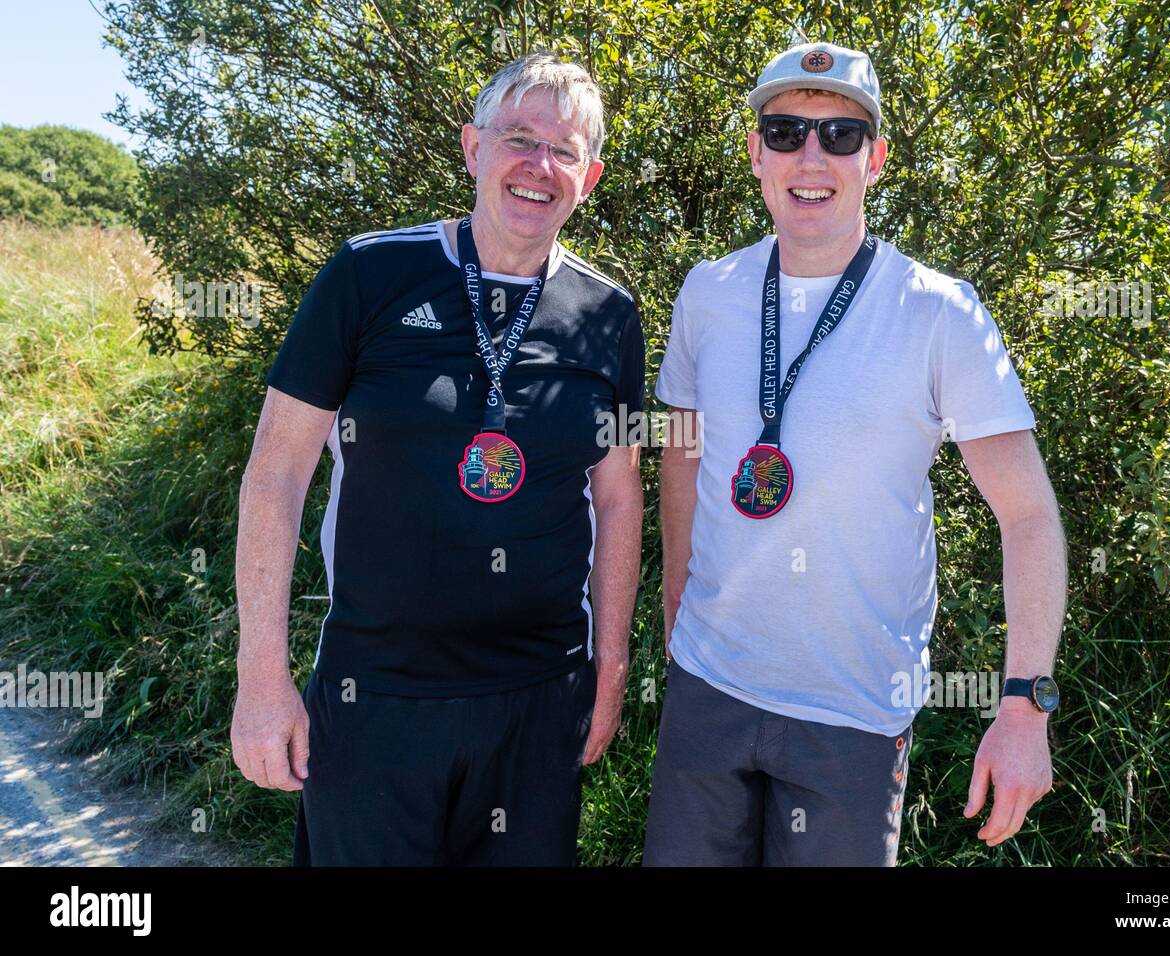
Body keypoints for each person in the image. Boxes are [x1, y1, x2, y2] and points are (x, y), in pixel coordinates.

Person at [644, 41, 1065, 866]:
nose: (812, 156)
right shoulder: (709, 291)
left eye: (840, 136)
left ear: (874, 160)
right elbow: (681, 455)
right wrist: (673, 610)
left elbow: (1028, 515)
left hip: (856, 715)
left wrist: (1023, 706)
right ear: (757, 153)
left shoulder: (941, 311)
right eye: (787, 131)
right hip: (707, 688)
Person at [231, 51, 645, 866]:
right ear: (472, 148)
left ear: (588, 179)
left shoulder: (609, 314)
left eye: (563, 151)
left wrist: (612, 667)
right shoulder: (370, 273)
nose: (539, 166)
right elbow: (277, 471)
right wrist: (262, 677)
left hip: (537, 697)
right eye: (519, 138)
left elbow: (620, 497)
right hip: (375, 692)